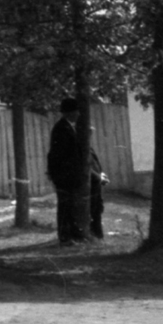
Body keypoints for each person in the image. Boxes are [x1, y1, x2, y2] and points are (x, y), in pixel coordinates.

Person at [46, 98, 105, 243]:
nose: (79, 114)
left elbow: (88, 152)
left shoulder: (72, 127)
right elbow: (72, 153)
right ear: (70, 113)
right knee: (66, 205)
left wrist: (99, 171)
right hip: (64, 172)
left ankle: (84, 232)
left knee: (76, 202)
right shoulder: (62, 129)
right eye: (76, 111)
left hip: (71, 171)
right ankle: (67, 237)